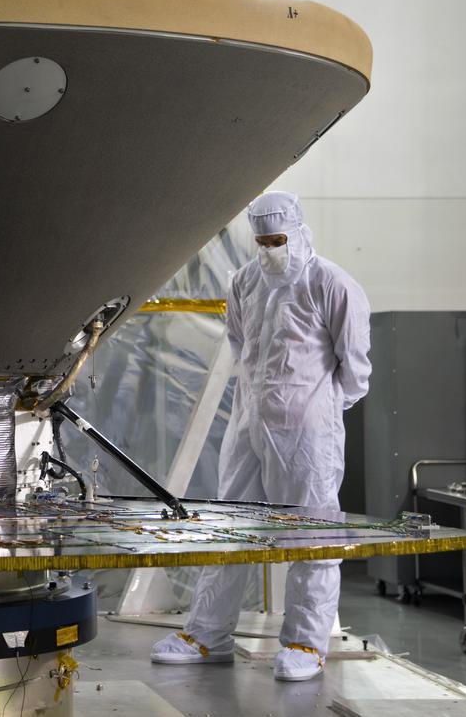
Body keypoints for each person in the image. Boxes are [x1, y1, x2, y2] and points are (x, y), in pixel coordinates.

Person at [151, 191, 371, 682]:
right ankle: (207, 634)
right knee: (231, 526)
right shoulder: (245, 281)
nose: (271, 249)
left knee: (312, 534)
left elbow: (355, 367)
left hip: (308, 434)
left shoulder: (331, 283)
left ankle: (305, 643)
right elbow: (240, 343)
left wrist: (315, 410)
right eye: (263, 241)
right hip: (248, 424)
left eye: (278, 240)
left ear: (298, 232)